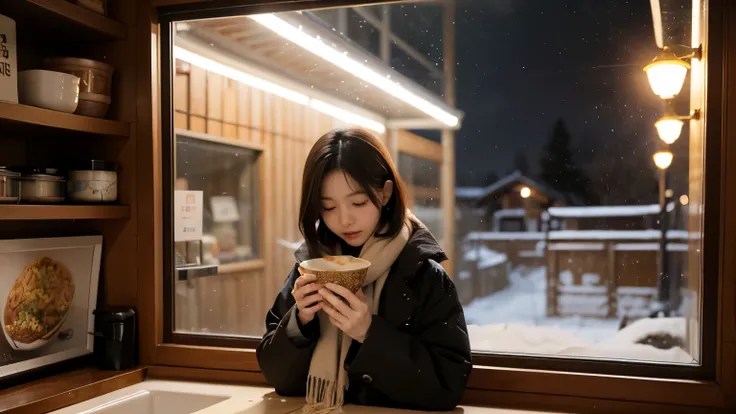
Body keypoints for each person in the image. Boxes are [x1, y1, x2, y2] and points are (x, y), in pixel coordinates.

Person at [256, 128, 472, 413]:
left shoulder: (423, 275)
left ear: (385, 193)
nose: (345, 220)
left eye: (358, 202)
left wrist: (369, 333)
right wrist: (299, 322)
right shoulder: (310, 269)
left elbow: (447, 386)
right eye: (328, 207)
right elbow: (278, 379)